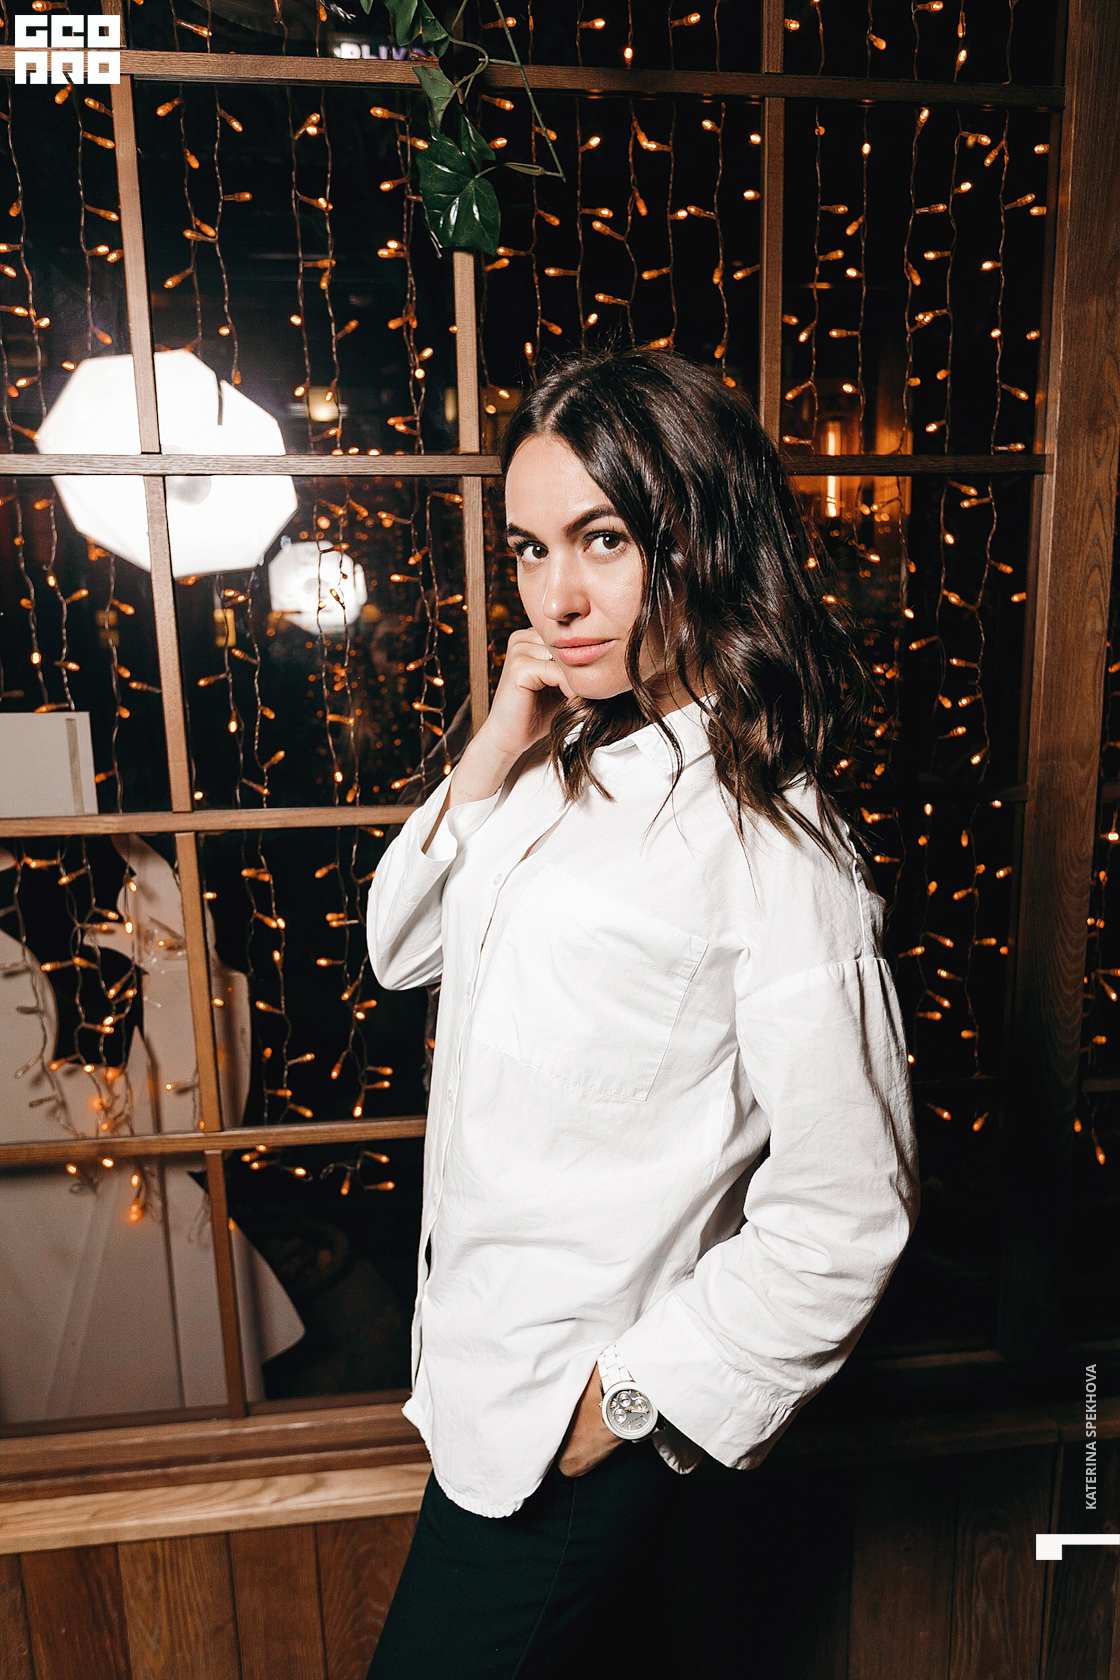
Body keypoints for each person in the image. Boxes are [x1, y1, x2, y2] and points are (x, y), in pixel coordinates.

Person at [364, 347, 919, 1678]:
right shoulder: (560, 766)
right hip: (479, 1385)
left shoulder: (773, 839)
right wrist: (499, 737)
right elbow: (402, 944)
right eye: (530, 549)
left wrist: (623, 1407)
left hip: (571, 1439)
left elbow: (848, 1212)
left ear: (704, 538)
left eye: (603, 540)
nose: (557, 596)